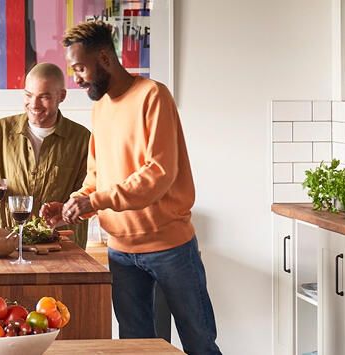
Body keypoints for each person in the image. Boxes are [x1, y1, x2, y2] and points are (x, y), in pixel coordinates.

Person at [42, 20, 221, 355]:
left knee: (199, 343)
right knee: (135, 347)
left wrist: (97, 199)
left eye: (80, 67)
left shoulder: (153, 96)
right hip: (120, 251)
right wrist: (75, 203)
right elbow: (97, 175)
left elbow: (158, 173)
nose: (76, 78)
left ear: (105, 59)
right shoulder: (100, 109)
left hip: (170, 247)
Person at [0, 63, 93, 246]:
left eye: (44, 97)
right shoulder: (0, 130)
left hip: (59, 246)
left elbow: (89, 191)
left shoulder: (82, 138)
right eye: (28, 95)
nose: (34, 104)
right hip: (3, 243)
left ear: (62, 96)